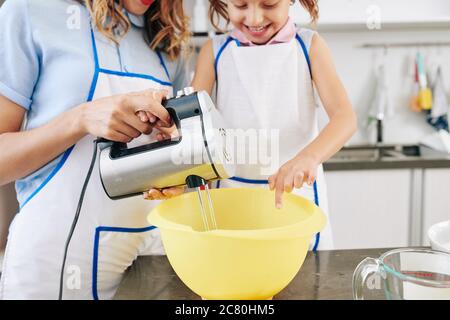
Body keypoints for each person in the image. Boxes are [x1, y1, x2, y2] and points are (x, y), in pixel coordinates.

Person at [0, 0, 188, 299]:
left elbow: (178, 163)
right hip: (51, 270)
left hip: (146, 265)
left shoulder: (167, 42)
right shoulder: (30, 10)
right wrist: (81, 118)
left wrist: (176, 164)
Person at [191, 0, 357, 250]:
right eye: (240, 5)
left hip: (296, 203)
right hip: (231, 204)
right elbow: (192, 128)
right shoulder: (213, 52)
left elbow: (345, 117)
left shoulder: (310, 47)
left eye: (269, 4)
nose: (255, 19)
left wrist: (308, 158)